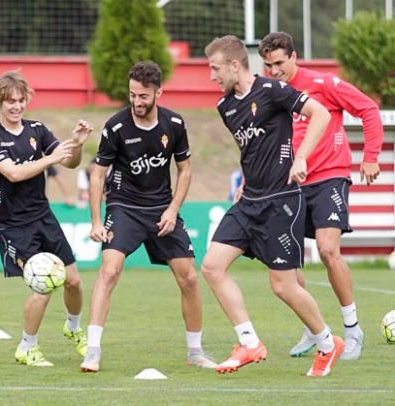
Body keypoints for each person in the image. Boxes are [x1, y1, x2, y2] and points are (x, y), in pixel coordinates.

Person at [202, 35, 343, 377]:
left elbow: (320, 114)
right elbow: (251, 150)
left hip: (281, 201)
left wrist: (302, 158)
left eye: (215, 68)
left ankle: (327, 343)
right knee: (211, 266)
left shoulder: (273, 90)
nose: (211, 76)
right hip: (249, 202)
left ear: (235, 65)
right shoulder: (225, 107)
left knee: (283, 286)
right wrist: (245, 183)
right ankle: (249, 342)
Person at [80, 61, 215, 373]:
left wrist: (173, 210)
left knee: (190, 278)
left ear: (158, 93)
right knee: (109, 271)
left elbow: (185, 170)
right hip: (124, 208)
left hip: (161, 210)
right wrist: (96, 221)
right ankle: (93, 351)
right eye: (132, 95)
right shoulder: (115, 127)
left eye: (143, 96)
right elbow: (98, 175)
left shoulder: (175, 125)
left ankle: (195, 352)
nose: (137, 102)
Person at [259, 31, 383, 360]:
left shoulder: (324, 83)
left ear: (295, 57)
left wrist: (370, 156)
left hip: (329, 177)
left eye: (280, 63)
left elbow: (369, 110)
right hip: (289, 183)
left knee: (328, 250)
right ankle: (313, 329)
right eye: (268, 65)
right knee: (289, 260)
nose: (274, 70)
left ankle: (353, 328)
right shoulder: (269, 93)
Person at [0, 71, 91, 367]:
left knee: (74, 281)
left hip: (43, 215)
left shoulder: (37, 129)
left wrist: (76, 144)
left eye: (20, 100)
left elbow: (68, 162)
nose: (16, 106)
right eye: (10, 101)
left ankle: (74, 329)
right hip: (13, 225)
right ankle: (28, 347)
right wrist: (50, 159)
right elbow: (13, 173)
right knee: (43, 284)